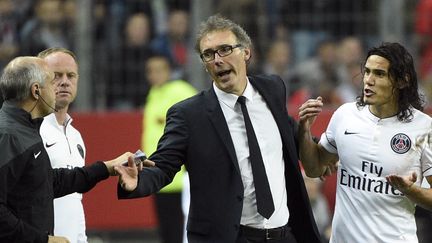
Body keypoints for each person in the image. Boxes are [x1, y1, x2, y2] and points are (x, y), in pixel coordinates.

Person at [116, 15, 321, 243]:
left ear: (246, 52)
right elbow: (163, 166)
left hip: (284, 235)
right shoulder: (189, 115)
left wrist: (324, 148)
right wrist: (138, 182)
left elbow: (289, 137)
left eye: (225, 49)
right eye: (208, 54)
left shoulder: (272, 90)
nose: (217, 60)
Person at [0, 56, 146, 243]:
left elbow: (46, 183)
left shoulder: (26, 129)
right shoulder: (9, 135)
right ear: (36, 91)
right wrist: (44, 240)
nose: (57, 87)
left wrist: (106, 168)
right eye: (51, 81)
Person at [298, 42, 432, 243]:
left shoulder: (424, 127)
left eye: (379, 74)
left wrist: (410, 191)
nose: (368, 80)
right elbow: (314, 168)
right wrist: (305, 131)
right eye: (367, 72)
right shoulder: (345, 114)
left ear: (403, 81)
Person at [142, 54, 196, 243]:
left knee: (179, 229)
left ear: (169, 71)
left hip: (177, 177)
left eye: (159, 70)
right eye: (150, 71)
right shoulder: (154, 94)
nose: (154, 75)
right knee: (166, 229)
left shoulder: (181, 91)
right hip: (158, 173)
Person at [37, 47, 87, 243]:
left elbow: (77, 200)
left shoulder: (76, 137)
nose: (65, 81)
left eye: (71, 75)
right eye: (56, 76)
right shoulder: (29, 132)